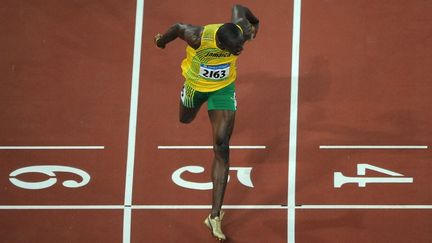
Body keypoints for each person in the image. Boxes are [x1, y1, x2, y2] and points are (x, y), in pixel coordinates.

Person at [154, 4, 259, 241]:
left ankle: (214, 216)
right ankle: (191, 102)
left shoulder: (240, 30)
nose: (240, 51)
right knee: (185, 119)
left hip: (223, 90)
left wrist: (255, 25)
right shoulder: (197, 36)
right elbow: (177, 28)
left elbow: (239, 8)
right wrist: (161, 40)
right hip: (195, 87)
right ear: (221, 45)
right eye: (235, 49)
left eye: (241, 46)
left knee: (222, 147)